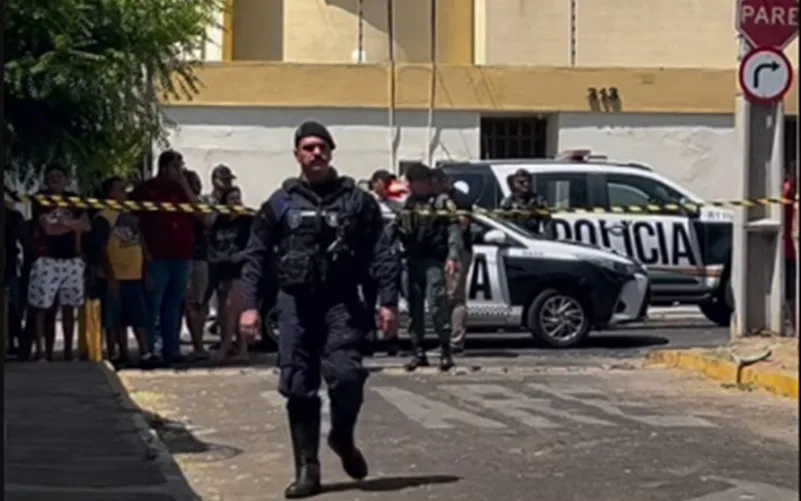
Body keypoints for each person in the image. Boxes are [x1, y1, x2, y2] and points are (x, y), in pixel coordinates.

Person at [238, 121, 400, 498]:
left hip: (342, 301)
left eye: (322, 147)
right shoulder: (280, 203)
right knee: (298, 386)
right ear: (297, 154)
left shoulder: (357, 201)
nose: (316, 153)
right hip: (295, 303)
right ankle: (307, 470)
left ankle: (342, 436)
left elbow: (382, 252)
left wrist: (388, 302)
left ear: (331, 152)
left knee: (347, 375)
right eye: (309, 147)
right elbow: (255, 255)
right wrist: (249, 307)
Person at [130, 150, 198, 366]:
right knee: (153, 303)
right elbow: (134, 222)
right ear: (164, 167)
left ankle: (172, 348)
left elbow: (200, 213)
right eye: (176, 167)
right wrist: (145, 252)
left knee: (174, 304)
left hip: (182, 255)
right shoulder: (146, 190)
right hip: (157, 255)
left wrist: (185, 185)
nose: (180, 171)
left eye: (181, 166)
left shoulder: (183, 189)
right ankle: (151, 349)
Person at [396, 163, 463, 372]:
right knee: (413, 309)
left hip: (433, 260)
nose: (413, 187)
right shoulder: (408, 203)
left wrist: (453, 256)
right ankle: (418, 352)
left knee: (437, 306)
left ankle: (445, 351)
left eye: (416, 183)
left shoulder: (442, 203)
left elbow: (454, 230)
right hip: (412, 260)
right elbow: (399, 228)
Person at [28, 164, 90, 361]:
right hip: (47, 259)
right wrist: (72, 226)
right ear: (46, 180)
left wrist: (63, 224)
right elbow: (47, 228)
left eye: (59, 176)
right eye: (51, 177)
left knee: (69, 307)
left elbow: (86, 225)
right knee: (43, 307)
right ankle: (41, 351)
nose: (55, 180)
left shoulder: (74, 200)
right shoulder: (41, 199)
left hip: (71, 259)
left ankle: (68, 351)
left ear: (66, 180)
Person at [91, 176, 153, 366]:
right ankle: (116, 353)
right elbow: (101, 249)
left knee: (138, 316)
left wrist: (146, 270)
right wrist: (110, 277)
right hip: (114, 276)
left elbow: (140, 240)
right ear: (110, 193)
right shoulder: (103, 217)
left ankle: (145, 353)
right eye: (120, 189)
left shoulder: (130, 214)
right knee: (113, 318)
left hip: (134, 275)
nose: (124, 193)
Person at [432, 169, 474, 353]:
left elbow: (461, 225)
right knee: (444, 297)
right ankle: (447, 339)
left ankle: (455, 341)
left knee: (454, 297)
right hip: (443, 252)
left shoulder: (459, 200)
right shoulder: (434, 200)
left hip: (457, 252)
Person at [208, 186, 252, 363]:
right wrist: (216, 255)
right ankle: (239, 349)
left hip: (240, 270)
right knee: (224, 312)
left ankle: (228, 348)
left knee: (233, 309)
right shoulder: (220, 220)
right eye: (232, 198)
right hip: (222, 269)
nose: (236, 202)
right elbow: (212, 242)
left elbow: (253, 246)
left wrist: (240, 256)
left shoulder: (247, 220)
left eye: (238, 198)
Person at [183, 170, 213, 361]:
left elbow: (206, 220)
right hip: (185, 256)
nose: (197, 186)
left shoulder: (201, 202)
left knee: (200, 302)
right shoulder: (178, 202)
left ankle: (199, 343)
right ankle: (196, 343)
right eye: (192, 182)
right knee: (190, 303)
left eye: (197, 182)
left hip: (201, 256)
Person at [499, 168, 551, 235]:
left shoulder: (539, 200)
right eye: (521, 182)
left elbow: (548, 225)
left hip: (532, 237)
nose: (526, 184)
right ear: (514, 184)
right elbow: (502, 225)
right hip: (514, 237)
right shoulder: (507, 203)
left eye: (528, 181)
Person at [3, 203, 25, 357]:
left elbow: (22, 238)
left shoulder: (14, 217)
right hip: (10, 267)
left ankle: (14, 342)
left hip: (10, 268)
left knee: (15, 307)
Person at [783, 161, 797, 334]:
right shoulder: (786, 192)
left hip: (791, 249)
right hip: (788, 250)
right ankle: (793, 325)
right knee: (790, 291)